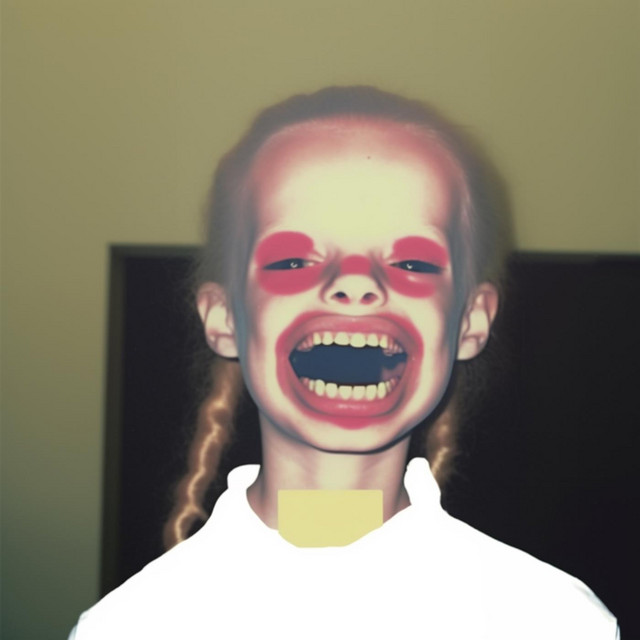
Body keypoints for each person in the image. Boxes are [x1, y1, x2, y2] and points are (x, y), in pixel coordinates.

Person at [69, 86, 619, 639]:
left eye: (412, 261)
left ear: (471, 321)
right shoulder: (124, 628)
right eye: (292, 260)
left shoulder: (560, 623)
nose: (355, 282)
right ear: (225, 317)